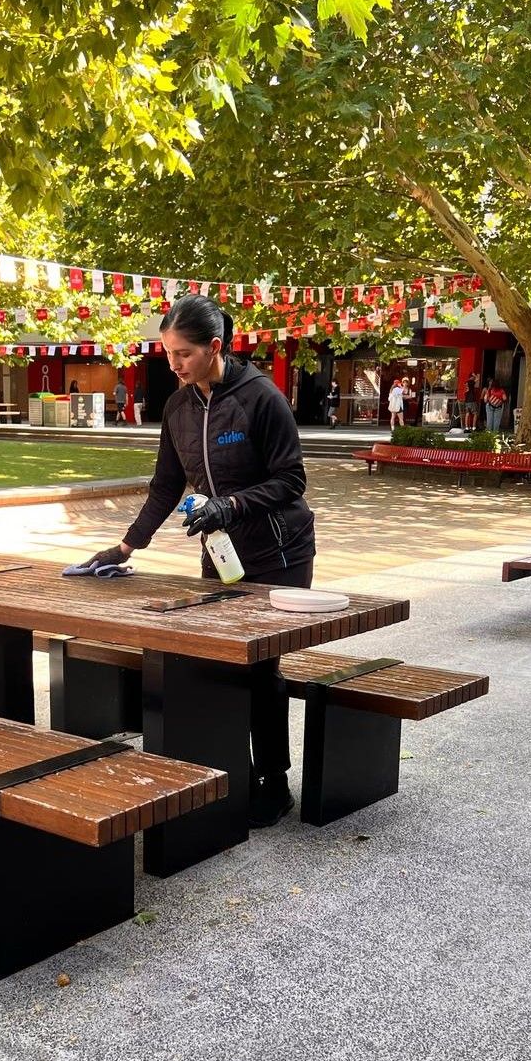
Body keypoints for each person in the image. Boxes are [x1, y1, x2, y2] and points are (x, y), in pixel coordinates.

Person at [76, 294, 315, 827]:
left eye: (183, 354)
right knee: (218, 662)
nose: (174, 364)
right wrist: (125, 547)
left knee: (260, 666)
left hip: (279, 551)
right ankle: (229, 771)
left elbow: (290, 480)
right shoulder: (178, 406)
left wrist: (229, 504)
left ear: (214, 347)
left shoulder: (261, 398)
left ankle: (273, 784)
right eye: (167, 354)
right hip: (222, 551)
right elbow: (165, 486)